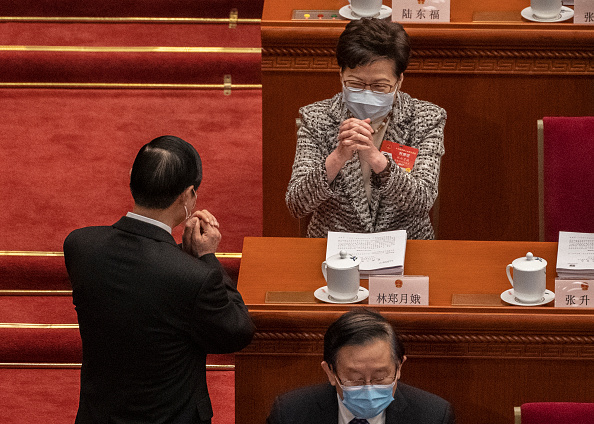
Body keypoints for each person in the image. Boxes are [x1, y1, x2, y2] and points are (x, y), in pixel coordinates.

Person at [64, 135, 255, 424]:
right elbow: (236, 331)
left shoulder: (79, 245)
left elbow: (146, 278)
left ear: (132, 179)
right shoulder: (195, 277)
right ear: (187, 195)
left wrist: (183, 257)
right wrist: (206, 257)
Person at [285, 18, 446, 239]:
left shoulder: (426, 119)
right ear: (341, 75)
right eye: (356, 84)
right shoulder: (316, 118)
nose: (367, 93)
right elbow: (297, 204)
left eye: (380, 86)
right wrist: (338, 157)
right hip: (334, 250)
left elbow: (421, 202)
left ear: (399, 80)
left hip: (407, 246)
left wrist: (377, 159)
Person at [267, 309, 455, 424]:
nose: (368, 388)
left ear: (399, 367)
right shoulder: (290, 414)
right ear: (330, 372)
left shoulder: (433, 416)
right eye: (355, 378)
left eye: (380, 377)